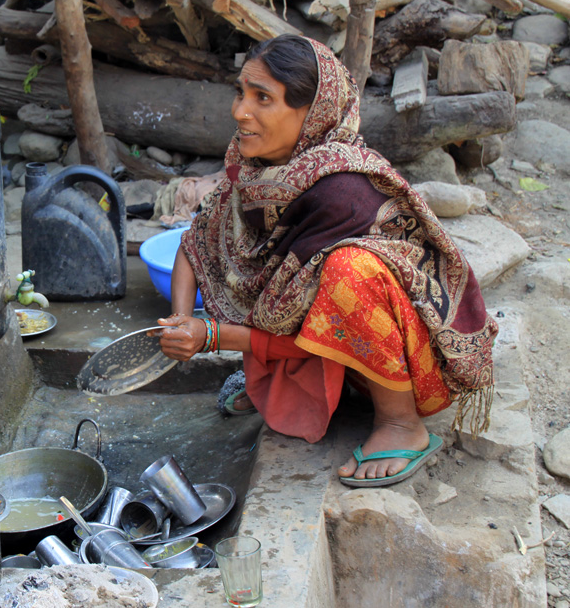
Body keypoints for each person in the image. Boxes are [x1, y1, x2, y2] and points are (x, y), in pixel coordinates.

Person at [155, 35, 497, 487]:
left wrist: (213, 335)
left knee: (348, 273)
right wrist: (180, 319)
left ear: (311, 112)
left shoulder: (343, 191)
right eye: (241, 92)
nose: (240, 111)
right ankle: (296, 390)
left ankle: (401, 425)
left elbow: (315, 329)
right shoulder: (257, 170)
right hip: (341, 346)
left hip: (413, 362)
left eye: (263, 98)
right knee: (279, 288)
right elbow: (196, 239)